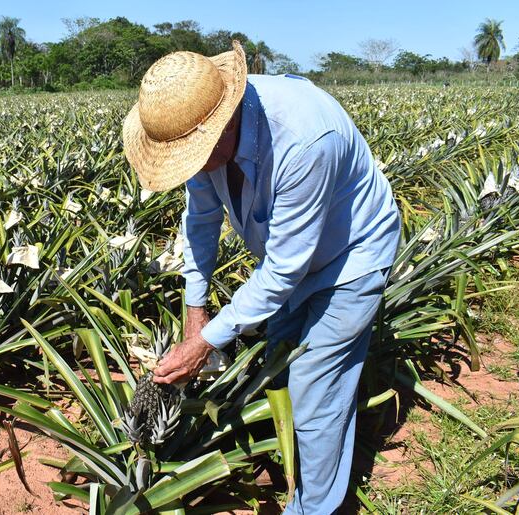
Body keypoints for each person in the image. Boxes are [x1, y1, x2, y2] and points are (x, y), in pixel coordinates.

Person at [122, 41, 401, 514]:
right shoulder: (203, 137)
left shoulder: (306, 140)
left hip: (350, 256)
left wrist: (206, 343)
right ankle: (295, 460)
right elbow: (202, 222)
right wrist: (196, 311)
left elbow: (285, 268)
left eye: (192, 154)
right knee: (280, 360)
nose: (190, 166)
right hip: (287, 256)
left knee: (317, 389)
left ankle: (315, 506)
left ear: (222, 124)